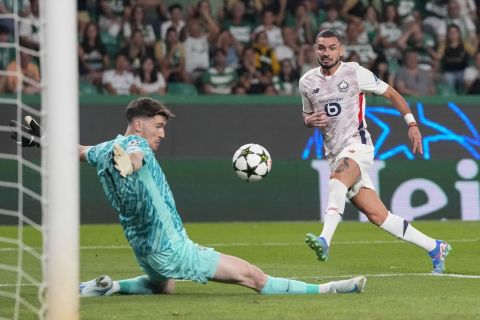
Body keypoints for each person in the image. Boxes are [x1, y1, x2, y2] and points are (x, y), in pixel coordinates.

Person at [72, 97, 367, 297]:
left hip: (145, 250)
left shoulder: (106, 148)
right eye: (158, 126)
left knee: (163, 286)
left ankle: (108, 287)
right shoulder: (137, 143)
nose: (161, 134)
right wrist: (130, 163)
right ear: (139, 124)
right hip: (174, 249)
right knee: (253, 277)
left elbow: (80, 151)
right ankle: (328, 289)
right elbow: (136, 156)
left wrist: (42, 140)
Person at [299, 29, 451, 274]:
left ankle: (325, 240)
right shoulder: (306, 81)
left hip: (358, 146)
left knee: (337, 183)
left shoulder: (355, 72)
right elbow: (307, 114)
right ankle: (435, 247)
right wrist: (308, 121)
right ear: (315, 49)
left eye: (331, 48)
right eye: (321, 48)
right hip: (334, 153)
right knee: (379, 216)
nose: (326, 53)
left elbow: (392, 93)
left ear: (341, 50)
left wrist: (412, 124)